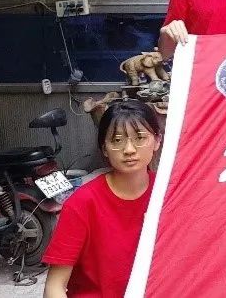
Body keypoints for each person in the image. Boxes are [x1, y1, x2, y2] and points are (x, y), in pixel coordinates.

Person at [43, 100, 162, 298]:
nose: (129, 149)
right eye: (117, 140)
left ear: (157, 140)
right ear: (104, 148)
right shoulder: (82, 203)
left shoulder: (168, 195)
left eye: (140, 137)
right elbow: (54, 287)